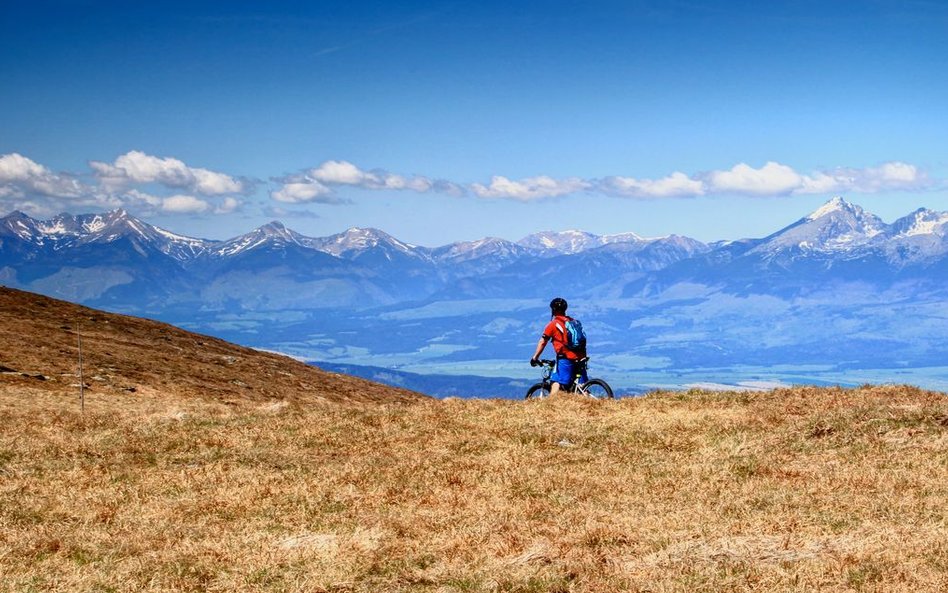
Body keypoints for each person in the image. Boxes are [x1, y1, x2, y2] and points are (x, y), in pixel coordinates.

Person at [530, 297, 587, 396]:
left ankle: (551, 405)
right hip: (581, 356)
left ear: (553, 310)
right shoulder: (573, 322)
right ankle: (592, 403)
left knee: (555, 381)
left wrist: (535, 357)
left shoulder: (553, 324)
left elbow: (543, 341)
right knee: (583, 386)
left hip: (566, 358)